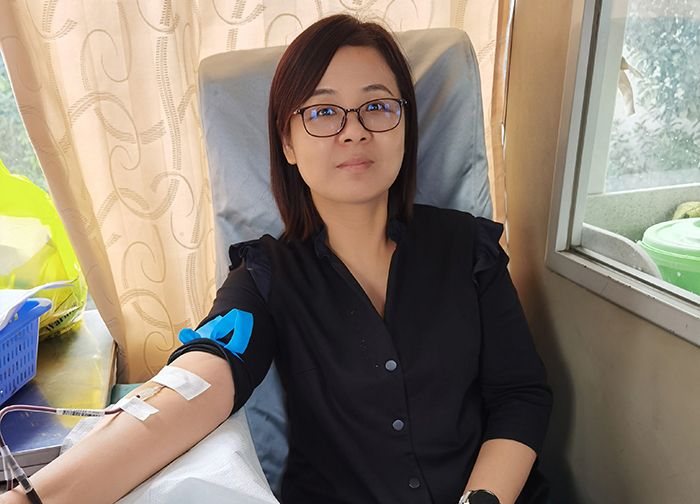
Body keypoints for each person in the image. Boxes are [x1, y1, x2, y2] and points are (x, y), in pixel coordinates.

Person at [0, 14, 552, 504]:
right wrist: (36, 499)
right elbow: (199, 378)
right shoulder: (265, 277)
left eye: (378, 107)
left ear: (405, 126)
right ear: (287, 143)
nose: (354, 131)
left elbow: (520, 395)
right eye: (323, 112)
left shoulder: (467, 248)